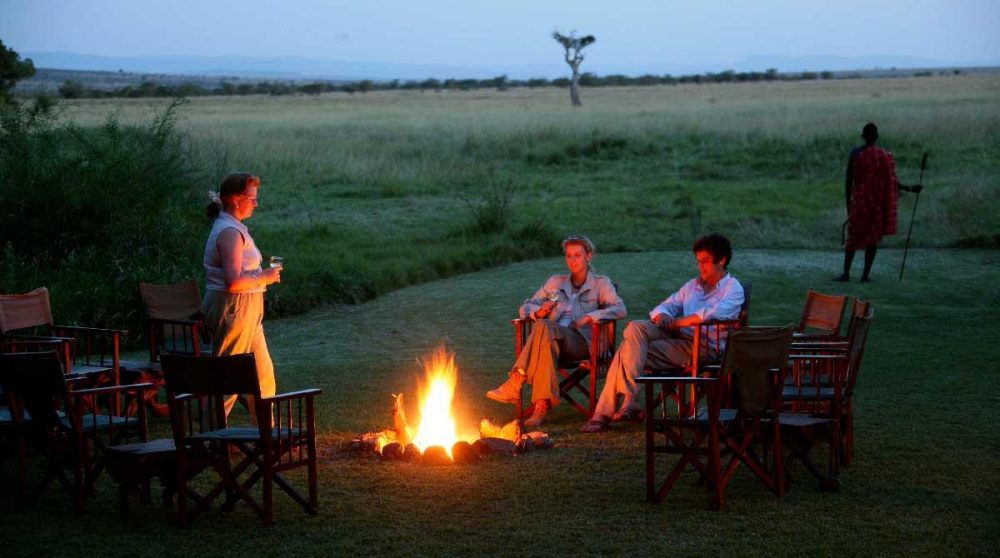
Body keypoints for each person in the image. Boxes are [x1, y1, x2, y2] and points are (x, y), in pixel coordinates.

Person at [581, 233, 744, 433]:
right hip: (678, 337)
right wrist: (662, 318)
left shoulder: (733, 288)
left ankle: (605, 413)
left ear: (722, 260)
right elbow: (664, 306)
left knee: (627, 351)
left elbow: (713, 314)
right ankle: (629, 401)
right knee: (635, 328)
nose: (701, 267)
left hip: (703, 346)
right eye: (698, 261)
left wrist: (678, 322)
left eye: (706, 261)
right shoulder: (693, 286)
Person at [487, 235, 626, 428]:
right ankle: (540, 408)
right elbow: (525, 307)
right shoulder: (555, 282)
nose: (572, 260)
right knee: (544, 334)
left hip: (584, 343)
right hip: (552, 342)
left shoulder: (600, 283)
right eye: (568, 256)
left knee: (543, 327)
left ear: (589, 256)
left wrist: (589, 317)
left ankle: (516, 380)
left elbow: (619, 309)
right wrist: (539, 311)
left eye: (577, 255)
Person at [201, 172, 281, 423]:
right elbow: (233, 282)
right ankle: (210, 440)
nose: (256, 203)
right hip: (234, 308)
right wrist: (264, 277)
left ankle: (266, 436)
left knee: (263, 376)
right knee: (229, 377)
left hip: (248, 310)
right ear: (236, 200)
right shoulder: (229, 233)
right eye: (252, 198)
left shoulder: (234, 228)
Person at [834, 123, 922, 282]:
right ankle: (865, 276)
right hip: (876, 203)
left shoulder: (855, 153)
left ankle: (846, 273)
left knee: (853, 236)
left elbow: (849, 182)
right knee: (872, 238)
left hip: (860, 201)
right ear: (876, 137)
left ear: (863, 136)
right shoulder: (883, 155)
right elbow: (892, 182)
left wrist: (849, 204)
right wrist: (910, 188)